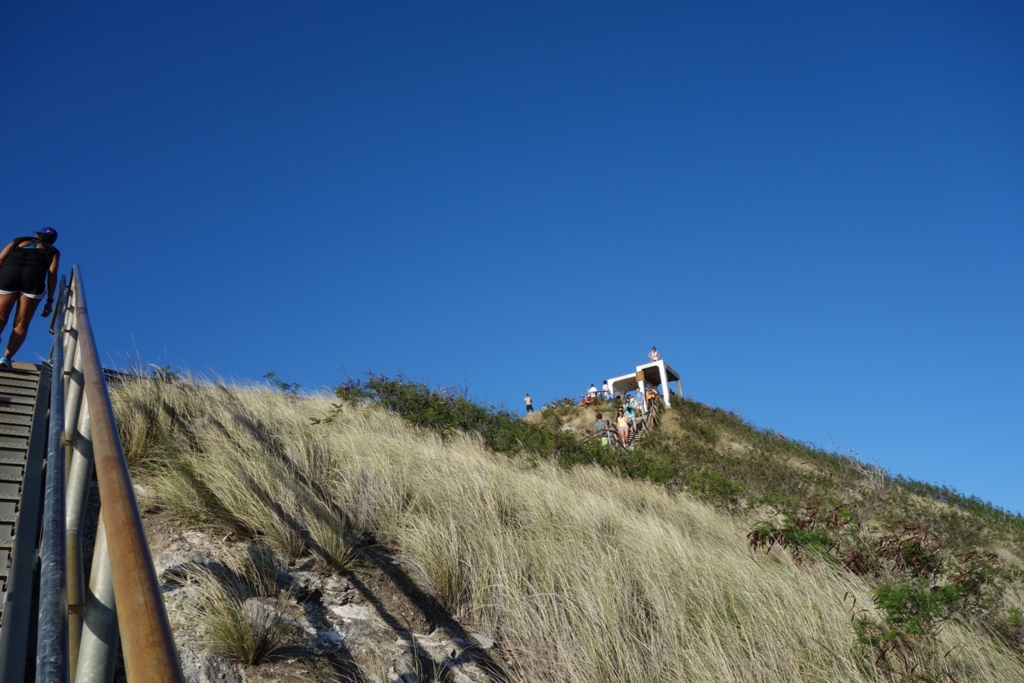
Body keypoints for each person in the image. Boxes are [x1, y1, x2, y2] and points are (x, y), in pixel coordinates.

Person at [0, 228, 60, 368]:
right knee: (21, 323)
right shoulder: (52, 250)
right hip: (34, 278)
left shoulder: (19, 240)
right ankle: (5, 359)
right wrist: (50, 300)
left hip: (10, 273)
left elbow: (1, 258)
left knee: (1, 317)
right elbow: (52, 273)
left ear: (38, 235)